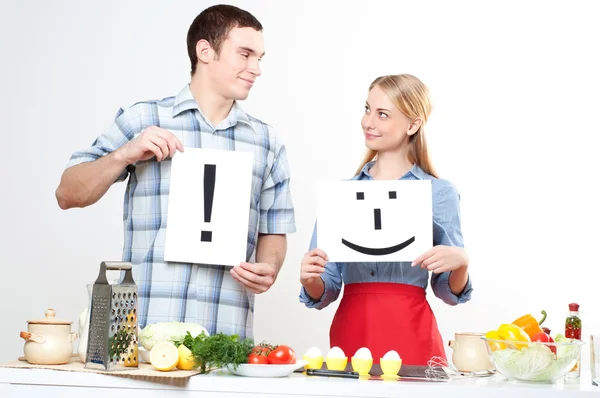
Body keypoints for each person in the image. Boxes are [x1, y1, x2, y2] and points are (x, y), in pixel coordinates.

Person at [55, 4, 296, 339]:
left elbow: (274, 230)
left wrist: (268, 268)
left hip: (225, 340)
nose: (256, 68)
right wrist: (124, 154)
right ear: (205, 51)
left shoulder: (267, 142)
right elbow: (68, 193)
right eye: (245, 54)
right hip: (143, 337)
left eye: (259, 57)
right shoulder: (144, 119)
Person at [299, 74, 472, 365]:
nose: (369, 122)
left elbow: (447, 291)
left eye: (383, 114)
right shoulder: (343, 195)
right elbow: (325, 290)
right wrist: (310, 277)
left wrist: (462, 262)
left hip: (412, 330)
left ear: (413, 124)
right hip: (353, 329)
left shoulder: (438, 193)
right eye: (367, 109)